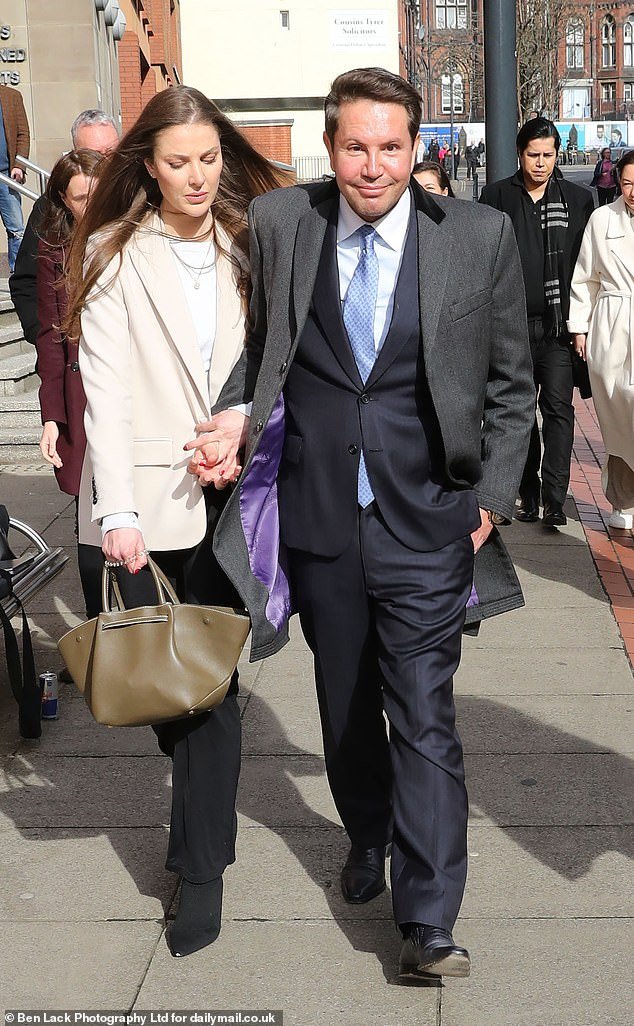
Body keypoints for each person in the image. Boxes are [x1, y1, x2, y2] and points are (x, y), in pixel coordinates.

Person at [197, 67, 534, 980]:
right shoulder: (282, 223)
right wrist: (233, 417)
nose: (373, 166)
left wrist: (490, 501)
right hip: (319, 518)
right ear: (330, 146)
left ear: (417, 147)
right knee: (345, 708)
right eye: (355, 147)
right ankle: (368, 832)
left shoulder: (478, 235)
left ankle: (429, 921)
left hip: (428, 519)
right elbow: (263, 355)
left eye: (390, 147)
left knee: (424, 715)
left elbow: (511, 384)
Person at [64, 85, 288, 958]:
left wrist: (245, 432)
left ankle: (201, 872)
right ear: (148, 167)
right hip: (148, 503)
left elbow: (279, 361)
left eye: (209, 159)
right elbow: (107, 391)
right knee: (170, 697)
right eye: (178, 162)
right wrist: (116, 508)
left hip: (239, 494)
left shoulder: (255, 244)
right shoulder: (115, 253)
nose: (198, 176)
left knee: (212, 694)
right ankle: (199, 823)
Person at [480, 118, 595, 527]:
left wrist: (582, 324)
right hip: (511, 328)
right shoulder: (496, 197)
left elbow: (586, 266)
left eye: (548, 155)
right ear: (520, 154)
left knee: (559, 410)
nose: (541, 163)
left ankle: (554, 501)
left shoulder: (578, 200)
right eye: (534, 155)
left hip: (558, 328)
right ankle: (526, 493)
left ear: (557, 154)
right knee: (520, 413)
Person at [35, 149, 104, 617]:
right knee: (90, 526)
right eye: (81, 198)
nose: (92, 205)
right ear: (63, 199)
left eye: (98, 194)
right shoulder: (54, 251)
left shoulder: (136, 236)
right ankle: (102, 626)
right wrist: (52, 418)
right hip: (81, 398)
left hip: (134, 396)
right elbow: (50, 338)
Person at [10, 110, 119, 345]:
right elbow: (26, 282)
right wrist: (46, 339)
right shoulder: (50, 209)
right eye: (94, 155)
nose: (105, 163)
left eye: (111, 153)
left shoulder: (139, 198)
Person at [569, 151, 634, 529]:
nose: (633, 192)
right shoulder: (602, 219)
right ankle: (623, 500)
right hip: (612, 326)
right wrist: (579, 327)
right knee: (618, 419)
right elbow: (585, 278)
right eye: (627, 183)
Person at [0, 83, 29, 273]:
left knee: (16, 229)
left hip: (6, 176)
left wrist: (19, 165)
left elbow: (23, 134)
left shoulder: (12, 96)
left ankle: (18, 275)